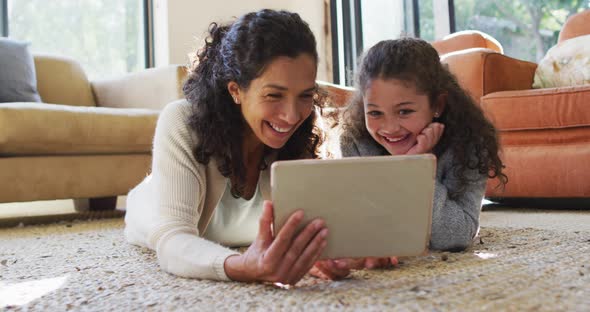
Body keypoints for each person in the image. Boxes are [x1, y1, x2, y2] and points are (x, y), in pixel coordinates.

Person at [124, 9, 332, 285]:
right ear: (235, 90)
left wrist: (344, 252)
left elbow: (311, 228)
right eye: (274, 95)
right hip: (153, 206)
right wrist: (243, 266)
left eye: (305, 95)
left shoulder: (297, 136)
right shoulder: (181, 121)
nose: (293, 115)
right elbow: (172, 241)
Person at [339, 38, 507, 251]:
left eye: (404, 111)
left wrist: (416, 168)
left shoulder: (469, 145)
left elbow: (456, 237)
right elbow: (362, 227)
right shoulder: (356, 141)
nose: (390, 128)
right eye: (374, 113)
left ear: (437, 105)